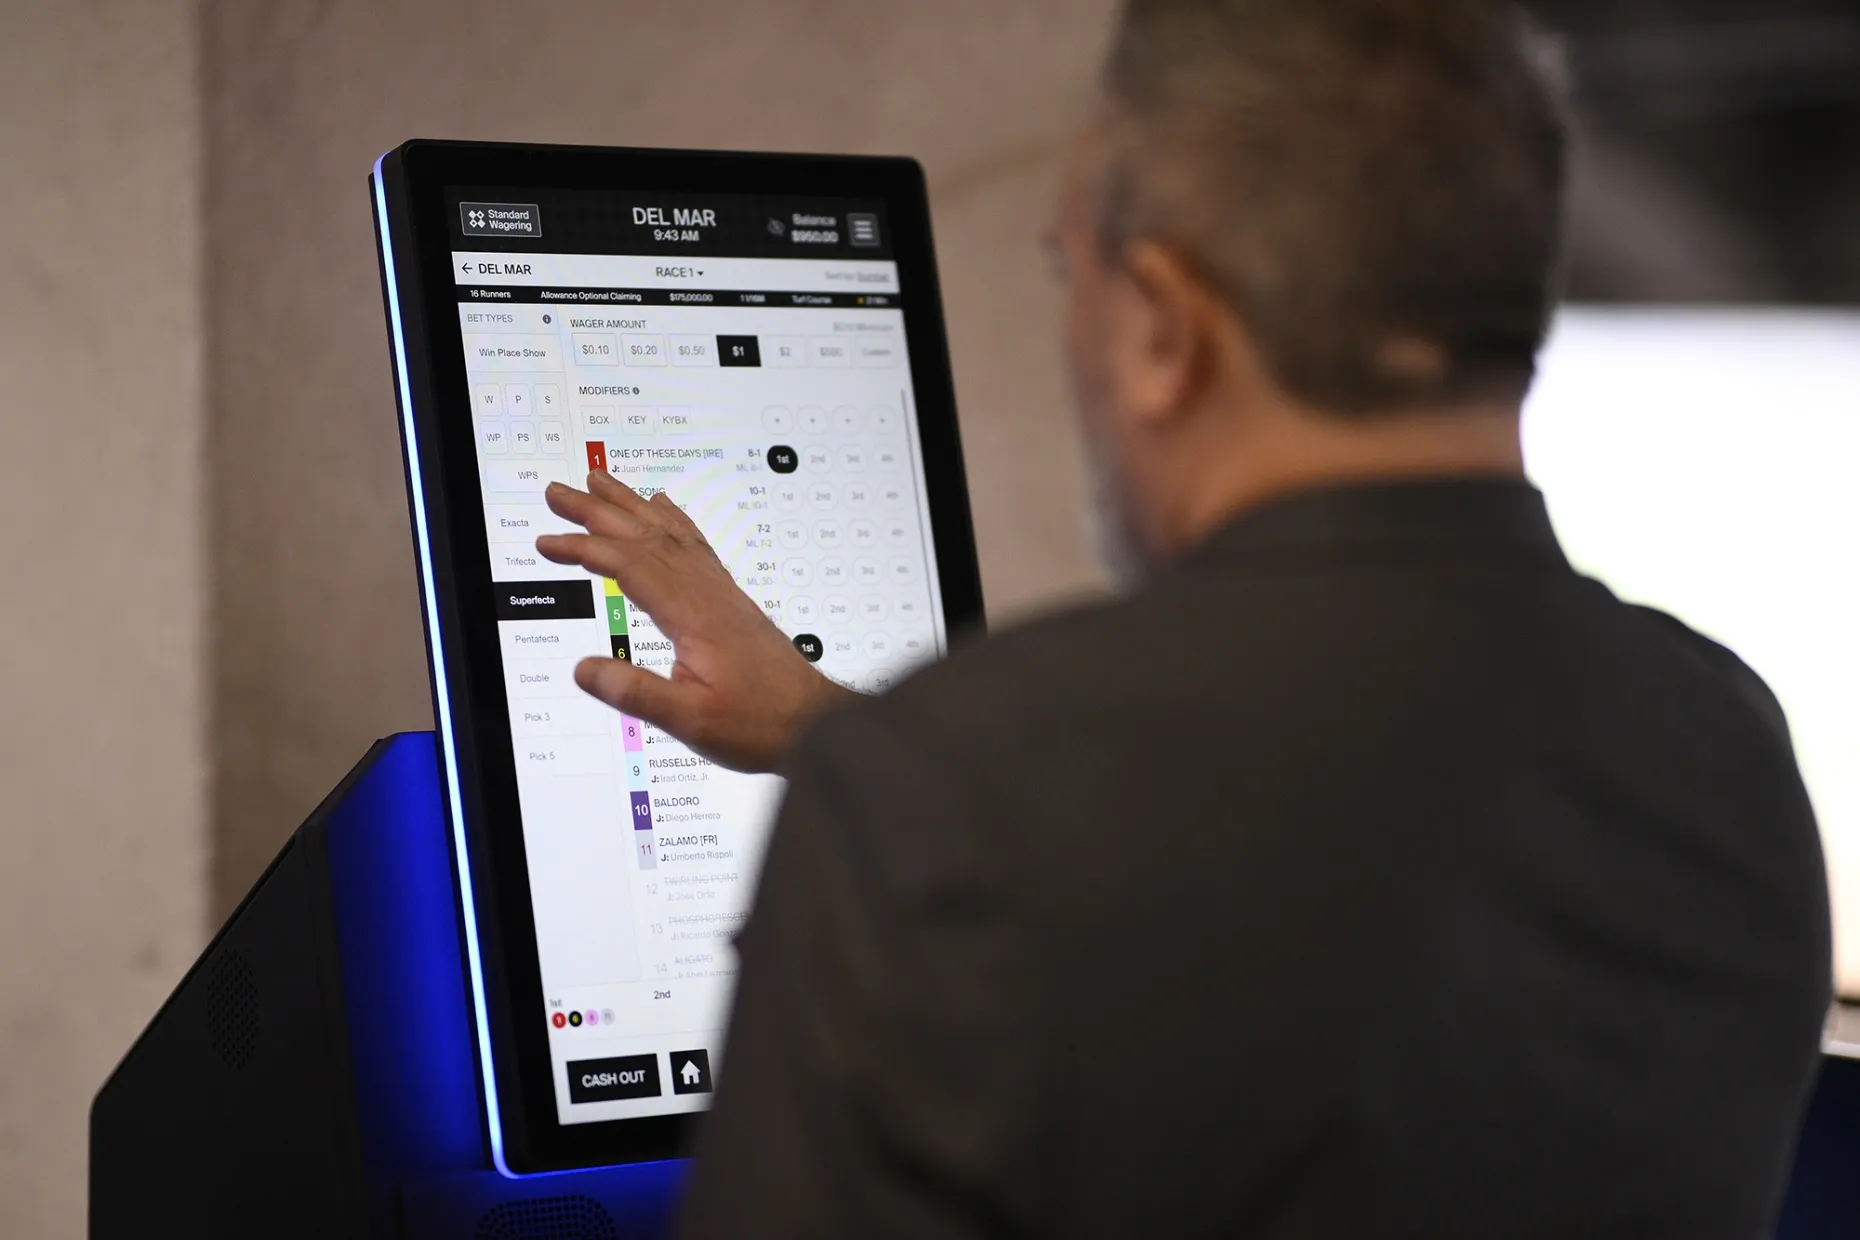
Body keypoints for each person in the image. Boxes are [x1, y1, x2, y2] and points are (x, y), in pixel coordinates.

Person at [536, 1, 1833, 1234]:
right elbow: (1369, 868)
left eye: (1071, 272)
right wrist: (849, 740)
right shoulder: (1726, 747)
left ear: (1164, 324)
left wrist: (896, 784)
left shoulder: (944, 805)